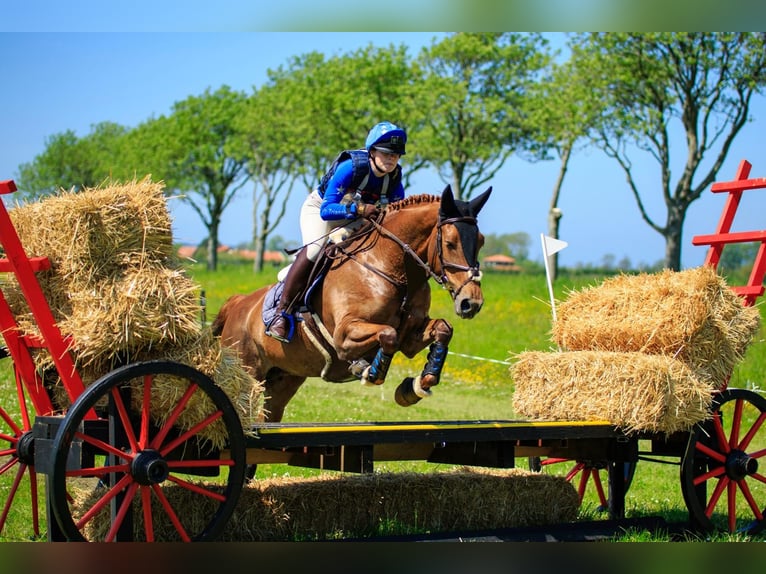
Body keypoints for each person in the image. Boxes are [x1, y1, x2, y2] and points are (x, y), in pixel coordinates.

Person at [266, 121, 408, 343]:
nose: (391, 159)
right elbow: (326, 210)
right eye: (386, 153)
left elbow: (396, 215)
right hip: (320, 209)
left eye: (396, 155)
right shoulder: (351, 167)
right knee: (315, 250)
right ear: (372, 151)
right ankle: (280, 313)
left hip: (355, 218)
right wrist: (360, 208)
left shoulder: (395, 179)